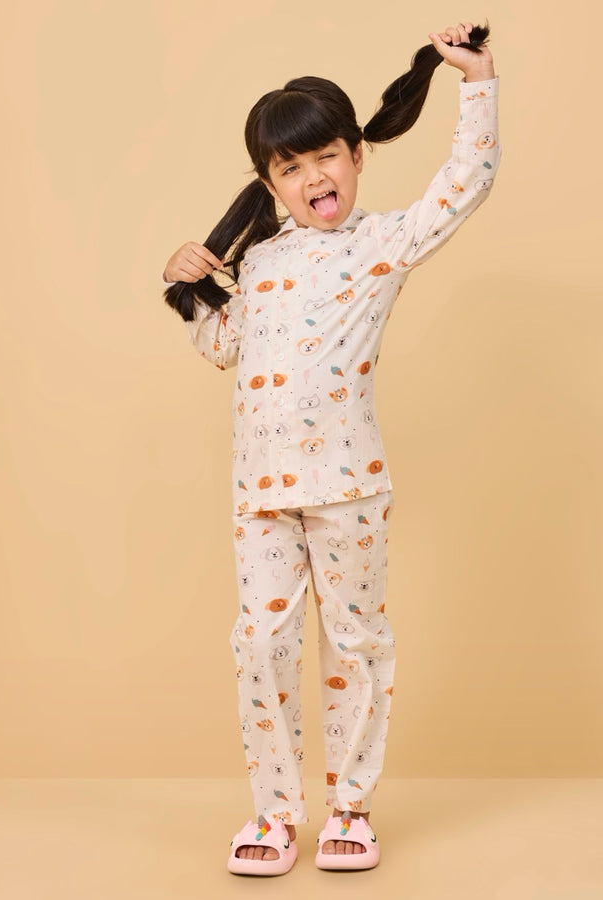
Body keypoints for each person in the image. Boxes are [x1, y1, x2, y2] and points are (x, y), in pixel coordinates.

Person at [162, 22, 500, 875]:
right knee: (260, 644)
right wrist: (189, 286)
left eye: (326, 157)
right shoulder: (260, 262)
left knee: (355, 644)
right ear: (270, 183)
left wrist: (476, 81)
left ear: (355, 154)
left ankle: (349, 807)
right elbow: (224, 349)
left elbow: (464, 183)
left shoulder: (382, 243)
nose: (314, 177)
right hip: (261, 494)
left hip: (349, 485)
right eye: (291, 168)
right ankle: (276, 815)